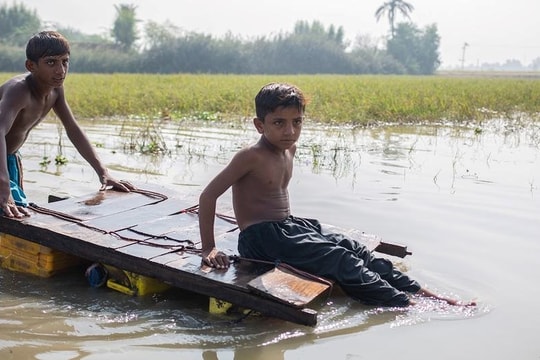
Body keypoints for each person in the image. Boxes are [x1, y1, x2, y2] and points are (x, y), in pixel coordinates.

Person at [199, 82, 475, 307]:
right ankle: (405, 305)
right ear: (260, 125)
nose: (290, 131)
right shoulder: (250, 156)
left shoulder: (288, 150)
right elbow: (208, 196)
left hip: (290, 227)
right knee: (340, 260)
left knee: (354, 249)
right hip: (262, 238)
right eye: (279, 123)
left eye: (297, 122)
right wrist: (209, 247)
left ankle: (427, 295)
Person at [0, 31, 133, 218]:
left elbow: (73, 129)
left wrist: (103, 172)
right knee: (10, 211)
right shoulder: (19, 90)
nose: (60, 70)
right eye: (51, 62)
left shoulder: (56, 91)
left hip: (8, 157)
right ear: (31, 66)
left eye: (65, 61)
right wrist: (3, 186)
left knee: (18, 209)